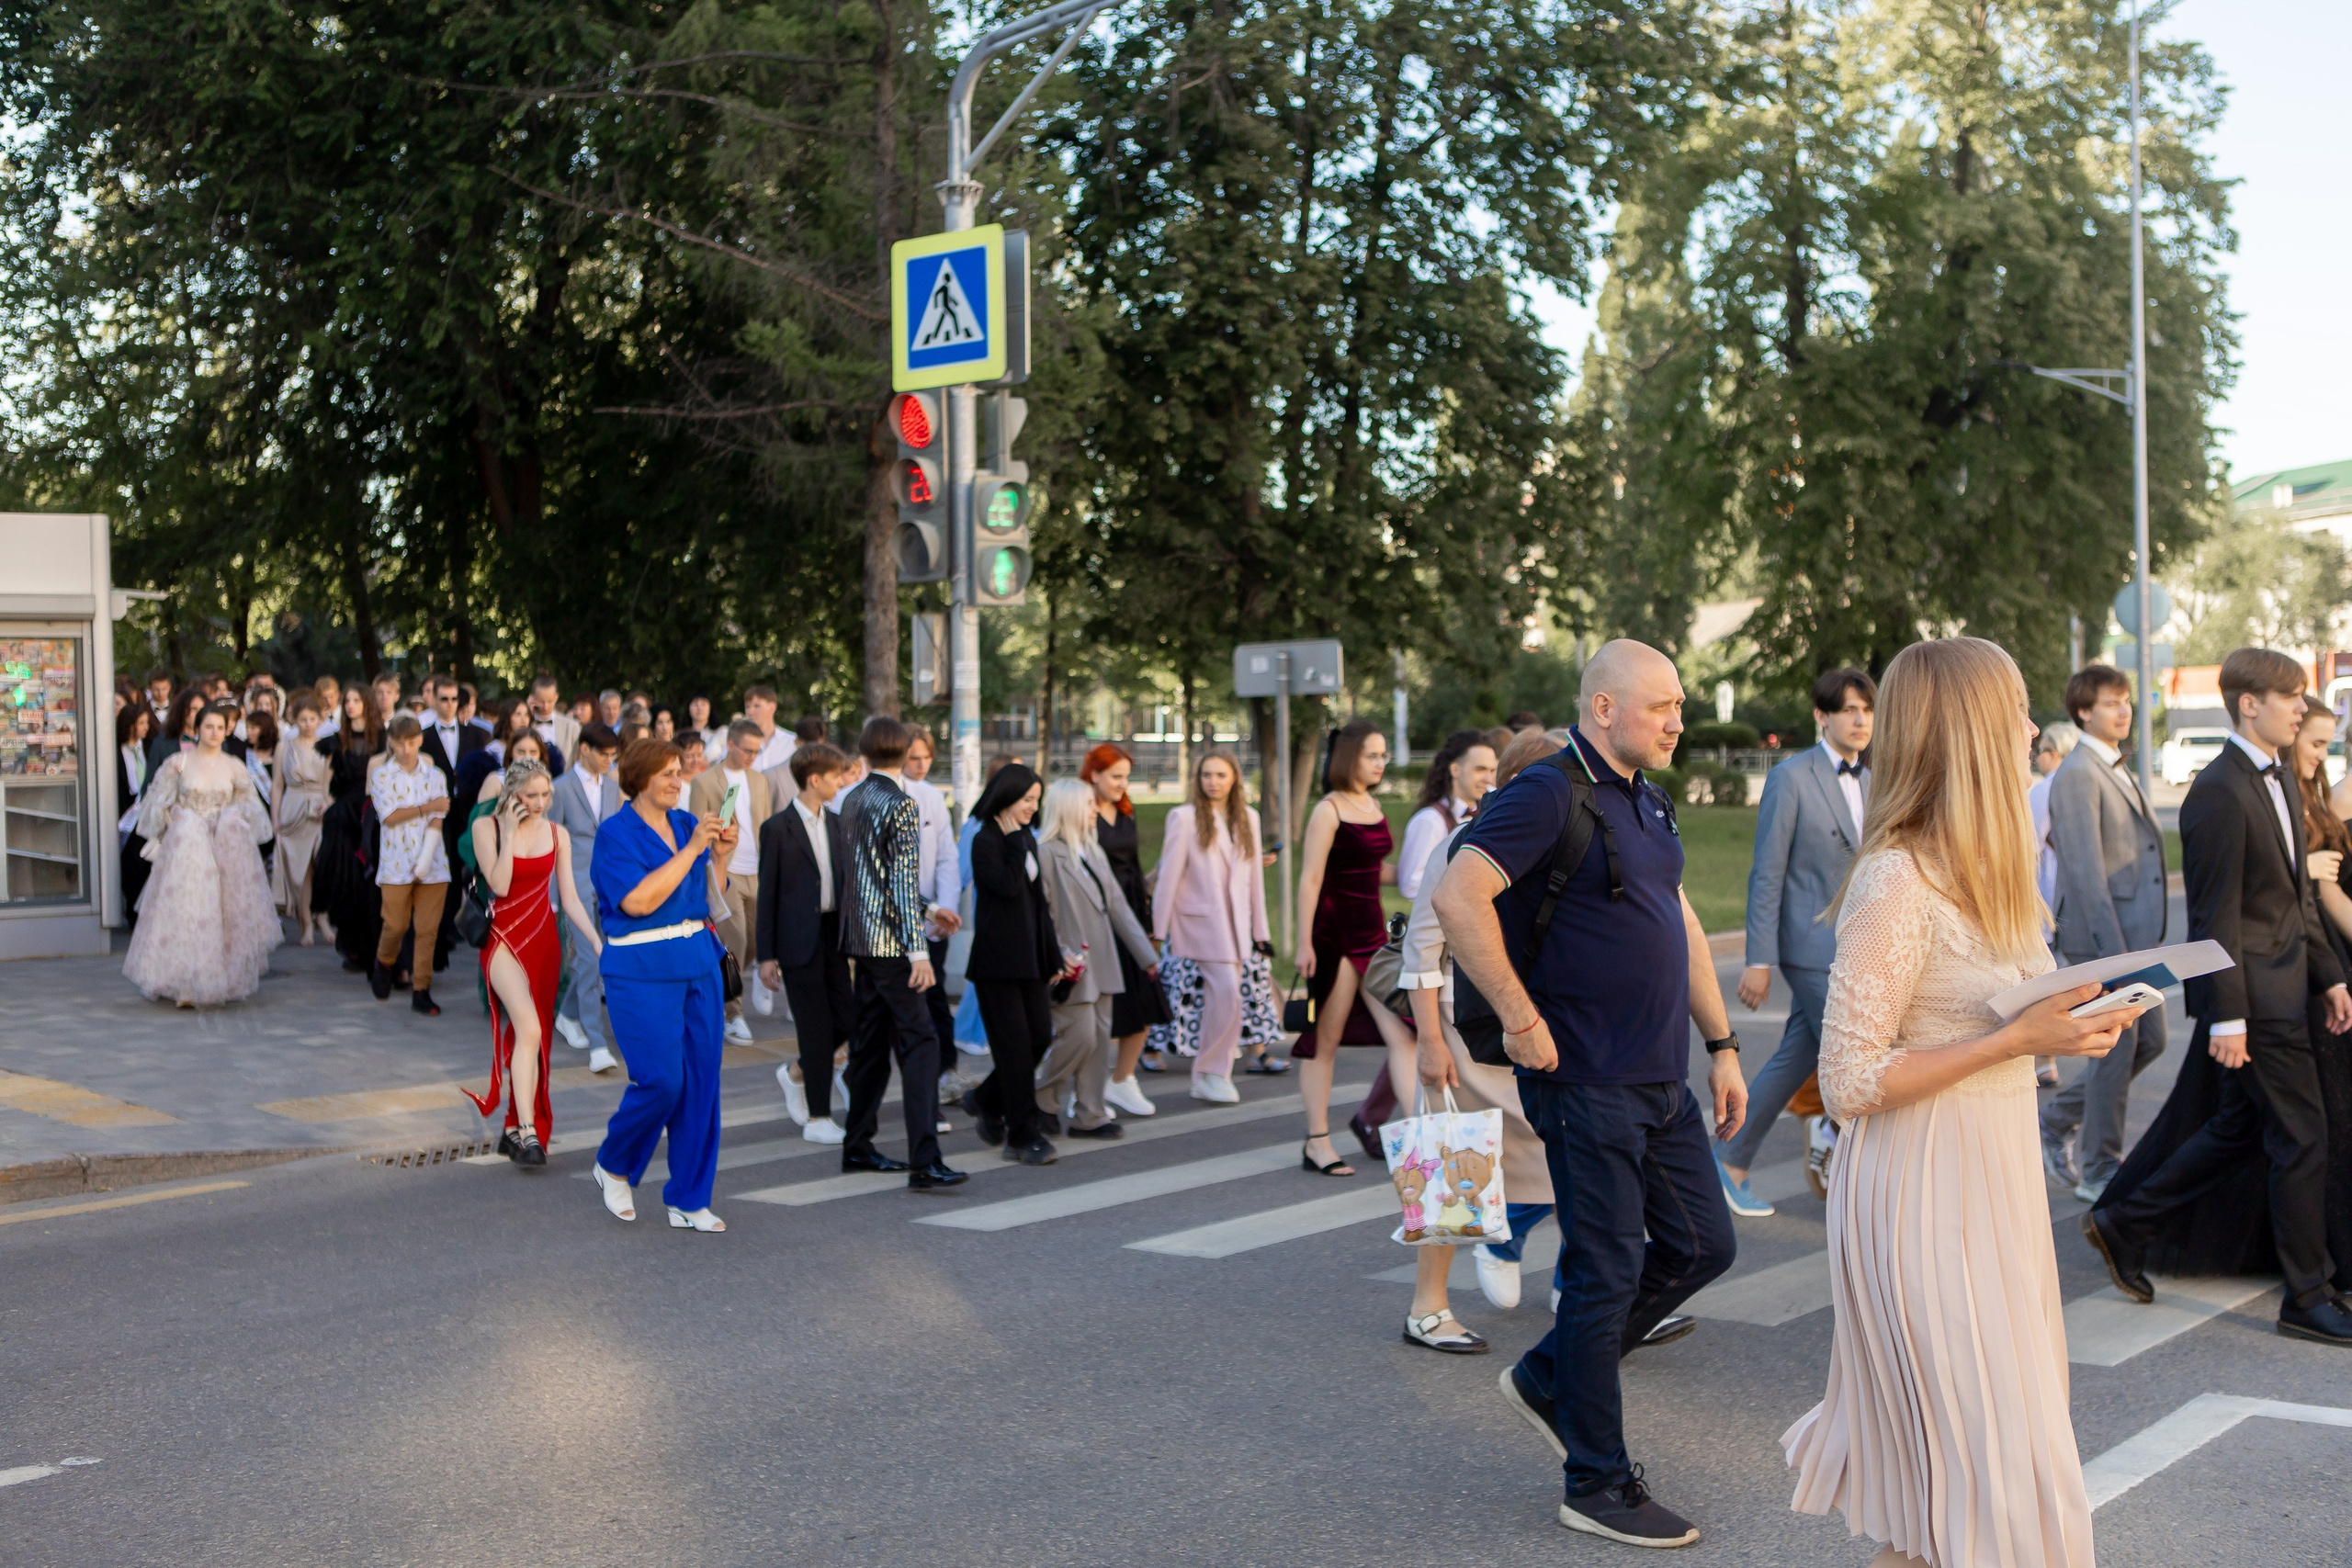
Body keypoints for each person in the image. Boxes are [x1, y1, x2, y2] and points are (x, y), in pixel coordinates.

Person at [1770, 636, 2146, 1568]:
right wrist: (2015, 1040)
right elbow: (1849, 1079)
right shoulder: (1896, 878)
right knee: (1982, 1473)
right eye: (2014, 710)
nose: (2030, 728)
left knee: (1961, 1493)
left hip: (1995, 1179)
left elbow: (2009, 1009)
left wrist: (2079, 1021)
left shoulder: (1995, 862)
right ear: (1972, 732)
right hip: (1918, 1189)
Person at [1434, 638, 1745, 1549]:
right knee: (1604, 1272)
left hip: (1658, 1076)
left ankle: (1546, 1379)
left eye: (1679, 706)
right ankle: (1595, 1482)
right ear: (1604, 708)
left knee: (1700, 1245)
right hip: (1586, 1080)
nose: (1677, 721)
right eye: (1662, 707)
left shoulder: (1646, 799)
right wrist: (1522, 1020)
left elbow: (1677, 925)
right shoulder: (1545, 791)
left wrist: (1721, 1045)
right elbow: (1459, 897)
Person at [2087, 647, 2352, 1347]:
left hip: (2291, 985)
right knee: (2303, 1136)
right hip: (2255, 1001)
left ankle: (2125, 1220)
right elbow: (2216, 917)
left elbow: (2294, 896)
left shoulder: (2280, 781)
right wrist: (2225, 1016)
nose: (2303, 707)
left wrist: (2329, 974)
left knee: (2240, 1128)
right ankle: (2308, 1295)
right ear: (2250, 705)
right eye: (2292, 696)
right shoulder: (2217, 790)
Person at [1395, 729, 1566, 1344]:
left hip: (1534, 1032)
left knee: (1577, 1163)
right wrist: (1429, 1043)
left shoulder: (1565, 839)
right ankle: (1428, 1308)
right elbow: (1420, 950)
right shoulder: (1463, 842)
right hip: (1462, 1034)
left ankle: (1584, 1291)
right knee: (1451, 1168)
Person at [1722, 667, 1876, 1216]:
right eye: (1848, 710)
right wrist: (1758, 959)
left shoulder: (1878, 775)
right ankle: (1858, 1169)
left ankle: (1730, 1162)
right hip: (1810, 949)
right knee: (1860, 1052)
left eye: (1867, 709)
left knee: (1800, 1054)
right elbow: (1768, 873)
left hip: (1863, 946)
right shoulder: (1791, 777)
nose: (1860, 720)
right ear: (1821, 716)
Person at [588, 739, 737, 1231]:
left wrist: (719, 859)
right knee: (661, 1081)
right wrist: (694, 849)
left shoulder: (686, 824)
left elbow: (706, 895)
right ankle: (613, 1162)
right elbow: (636, 902)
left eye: (680, 771)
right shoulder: (615, 834)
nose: (678, 781)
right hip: (641, 971)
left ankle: (689, 1198)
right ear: (639, 778)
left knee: (699, 1086)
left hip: (698, 962)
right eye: (668, 774)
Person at [2040, 665, 2169, 1204]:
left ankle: (2057, 1118)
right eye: (2111, 702)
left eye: (2126, 701)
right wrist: (2115, 958)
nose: (2124, 711)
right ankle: (2099, 1167)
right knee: (2118, 1049)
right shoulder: (2077, 774)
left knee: (2153, 1040)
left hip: (2133, 935)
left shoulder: (2114, 764)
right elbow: (2086, 873)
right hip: (2104, 939)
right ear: (2083, 711)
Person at [836, 716, 967, 1190]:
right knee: (922, 1043)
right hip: (894, 944)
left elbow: (869, 878)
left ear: (866, 751)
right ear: (904, 751)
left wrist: (931, 910)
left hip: (862, 940)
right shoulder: (903, 804)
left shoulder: (852, 799)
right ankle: (925, 1160)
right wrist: (919, 951)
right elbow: (901, 879)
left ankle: (858, 1145)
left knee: (871, 1045)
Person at [467, 756, 603, 1168]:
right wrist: (509, 832)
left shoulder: (557, 834)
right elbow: (501, 883)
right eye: (532, 795)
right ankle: (527, 1131)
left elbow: (572, 898)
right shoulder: (484, 827)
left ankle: (513, 1128)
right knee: (527, 1027)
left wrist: (598, 943)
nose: (541, 802)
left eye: (546, 794)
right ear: (512, 795)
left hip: (544, 942)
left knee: (533, 1038)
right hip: (503, 941)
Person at [1295, 720, 1415, 1176]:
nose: (1381, 763)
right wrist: (1304, 941)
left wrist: (1421, 871)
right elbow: (1310, 878)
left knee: (1403, 1035)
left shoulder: (1372, 804)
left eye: (1383, 755)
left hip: (1374, 938)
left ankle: (1418, 1140)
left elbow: (1374, 870)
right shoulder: (1329, 809)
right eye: (1372, 755)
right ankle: (1317, 1141)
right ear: (1349, 757)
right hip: (1337, 937)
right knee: (1324, 1043)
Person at [123, 703, 281, 1006]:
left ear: (227, 730)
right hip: (188, 849)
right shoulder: (177, 763)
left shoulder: (234, 766)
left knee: (225, 913)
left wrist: (231, 818)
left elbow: (251, 806)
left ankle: (223, 979)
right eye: (208, 726)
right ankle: (184, 983)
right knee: (188, 911)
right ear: (197, 729)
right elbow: (157, 804)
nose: (214, 733)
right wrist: (176, 818)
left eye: (220, 727)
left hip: (225, 847)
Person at [1035, 778, 1160, 1139]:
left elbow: (1117, 906)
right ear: (1070, 809)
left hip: (1104, 958)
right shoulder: (1046, 853)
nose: (1095, 810)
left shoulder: (1092, 849)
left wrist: (1145, 956)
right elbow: (1044, 913)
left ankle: (1090, 1113)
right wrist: (1059, 956)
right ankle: (1044, 1099)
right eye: (1089, 804)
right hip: (1071, 963)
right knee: (1080, 1036)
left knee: (1100, 1038)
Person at [1152, 750, 1272, 1108]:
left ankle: (1210, 1074)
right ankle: (1211, 1072)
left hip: (1237, 927)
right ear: (1197, 779)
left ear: (1234, 778)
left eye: (1221, 775)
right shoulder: (1184, 817)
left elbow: (1254, 881)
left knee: (1227, 998)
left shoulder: (1248, 818)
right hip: (1201, 923)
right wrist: (1157, 930)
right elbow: (1168, 877)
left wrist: (1261, 931)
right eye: (1206, 775)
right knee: (1227, 994)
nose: (1213, 782)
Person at [962, 762, 1065, 1162]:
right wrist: (1012, 843)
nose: (1032, 808)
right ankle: (1022, 1137)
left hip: (1031, 961)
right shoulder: (986, 840)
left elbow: (1038, 905)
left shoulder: (1024, 839)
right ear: (1006, 798)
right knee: (1015, 1051)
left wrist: (1052, 955)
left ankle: (986, 1099)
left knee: (1039, 1038)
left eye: (1036, 801)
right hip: (997, 964)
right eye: (1027, 800)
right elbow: (1004, 889)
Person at [757, 741, 856, 1144]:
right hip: (797, 942)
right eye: (836, 776)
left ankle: (796, 1072)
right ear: (815, 780)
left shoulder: (837, 823)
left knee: (848, 1021)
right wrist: (766, 956)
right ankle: (818, 1118)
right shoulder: (777, 829)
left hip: (835, 936)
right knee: (815, 1030)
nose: (841, 782)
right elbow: (768, 895)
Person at [1082, 743, 1174, 1116]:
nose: (1123, 784)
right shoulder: (1082, 814)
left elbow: (1134, 868)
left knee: (1146, 999)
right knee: (1098, 1009)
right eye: (1116, 776)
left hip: (1132, 915)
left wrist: (1149, 922)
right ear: (1094, 775)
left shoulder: (1126, 811)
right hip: (1096, 919)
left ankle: (1122, 1080)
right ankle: (1084, 1086)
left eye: (1126, 776)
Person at [689, 719, 775, 1044]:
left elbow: (764, 824)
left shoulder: (760, 780)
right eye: (748, 750)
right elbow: (697, 831)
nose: (753, 756)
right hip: (726, 871)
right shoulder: (705, 782)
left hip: (758, 871)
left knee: (755, 941)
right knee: (735, 939)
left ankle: (722, 986)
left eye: (757, 751)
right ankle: (733, 1013)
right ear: (731, 746)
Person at [547, 723, 624, 1073]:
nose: (610, 760)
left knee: (606, 958)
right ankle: (597, 1043)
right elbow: (549, 843)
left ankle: (568, 1014)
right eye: (605, 754)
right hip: (572, 886)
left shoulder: (613, 786)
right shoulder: (560, 788)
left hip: (607, 886)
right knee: (591, 960)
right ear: (585, 750)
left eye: (613, 755)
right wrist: (551, 898)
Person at [368, 715, 453, 1015]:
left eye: (411, 741)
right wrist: (427, 807)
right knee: (396, 924)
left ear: (420, 740)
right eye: (399, 742)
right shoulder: (381, 775)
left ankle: (422, 989)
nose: (406, 748)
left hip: (433, 862)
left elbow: (440, 816)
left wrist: (428, 855)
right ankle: (384, 962)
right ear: (390, 742)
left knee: (427, 929)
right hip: (395, 862)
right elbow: (389, 816)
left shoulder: (435, 775)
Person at [899, 728, 965, 1095]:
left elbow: (946, 858)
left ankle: (945, 1069)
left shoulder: (932, 797)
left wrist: (945, 909)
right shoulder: (882, 795)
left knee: (934, 996)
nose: (922, 765)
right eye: (914, 758)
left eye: (926, 757)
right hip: (894, 925)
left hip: (931, 922)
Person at [316, 684, 385, 974]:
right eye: (348, 701)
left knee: (372, 885)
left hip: (372, 814)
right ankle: (354, 948)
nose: (351, 705)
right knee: (347, 881)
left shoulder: (383, 738)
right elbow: (326, 780)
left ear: (367, 703)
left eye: (357, 700)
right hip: (344, 817)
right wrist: (325, 805)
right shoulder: (336, 740)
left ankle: (375, 949)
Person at [1398, 729, 1498, 900]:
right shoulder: (1430, 820)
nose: (1488, 778)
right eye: (1480, 769)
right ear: (1455, 770)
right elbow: (1411, 886)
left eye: (1492, 770)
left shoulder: (1487, 813)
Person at [273, 692, 333, 946]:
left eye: (312, 718)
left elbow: (332, 783)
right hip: (293, 808)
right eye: (303, 719)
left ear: (320, 719)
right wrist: (275, 819)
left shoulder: (329, 746)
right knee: (301, 871)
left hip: (321, 807)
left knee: (323, 867)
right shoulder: (284, 746)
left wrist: (328, 803)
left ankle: (324, 918)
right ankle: (306, 922)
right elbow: (277, 785)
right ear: (294, 720)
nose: (308, 723)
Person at [116, 701, 153, 921]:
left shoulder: (148, 747)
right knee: (131, 866)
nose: (145, 727)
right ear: (129, 725)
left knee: (145, 863)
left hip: (146, 813)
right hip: (126, 815)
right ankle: (132, 912)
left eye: (147, 722)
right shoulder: (115, 751)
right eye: (141, 723)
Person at [526, 672, 581, 770]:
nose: (545, 706)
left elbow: (579, 759)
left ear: (556, 697)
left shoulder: (572, 726)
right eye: (541, 701)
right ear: (533, 698)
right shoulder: (527, 725)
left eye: (550, 701)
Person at [742, 685, 793, 773]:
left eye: (757, 706)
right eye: (747, 707)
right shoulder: (738, 742)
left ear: (772, 707)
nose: (750, 711)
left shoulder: (791, 743)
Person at [684, 694, 722, 760]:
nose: (699, 708)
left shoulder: (722, 732)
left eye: (703, 704)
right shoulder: (681, 735)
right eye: (695, 705)